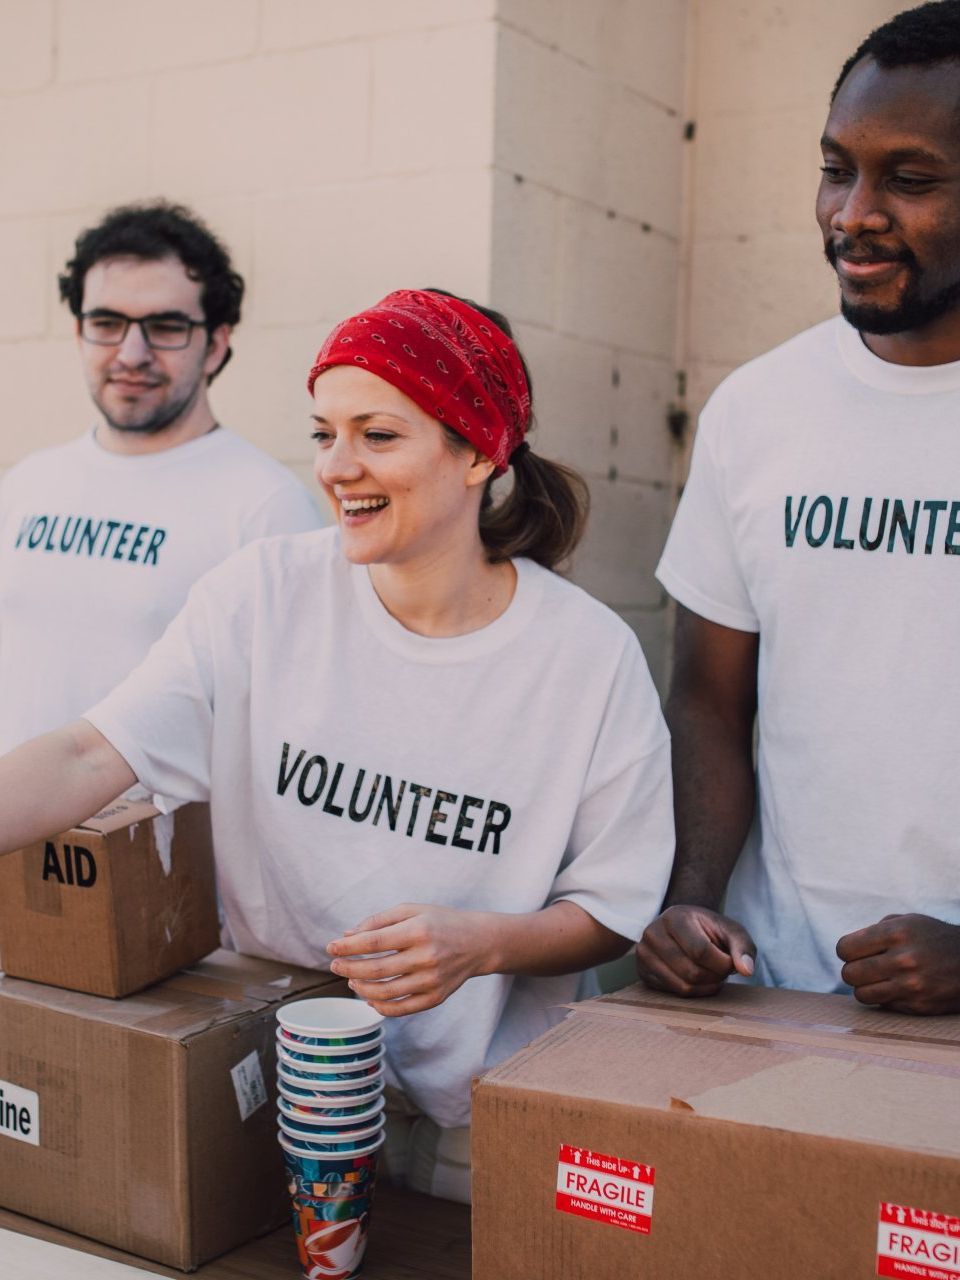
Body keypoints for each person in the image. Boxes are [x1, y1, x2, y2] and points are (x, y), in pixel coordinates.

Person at [0, 288, 675, 1201]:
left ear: (477, 450)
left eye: (378, 435)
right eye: (323, 433)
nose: (336, 465)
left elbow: (612, 907)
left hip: (479, 1122)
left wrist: (482, 944)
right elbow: (88, 756)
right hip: (274, 1084)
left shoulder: (588, 657)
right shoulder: (261, 596)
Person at [636, 0, 960, 1016]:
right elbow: (709, 698)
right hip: (779, 994)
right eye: (837, 168)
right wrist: (689, 899)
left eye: (908, 179)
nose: (852, 212)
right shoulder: (758, 409)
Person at [0, 200, 321, 754]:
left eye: (165, 327)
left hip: (161, 841)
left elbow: (291, 719)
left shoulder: (266, 507)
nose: (132, 353)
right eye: (106, 323)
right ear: (79, 333)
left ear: (216, 344)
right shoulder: (29, 482)